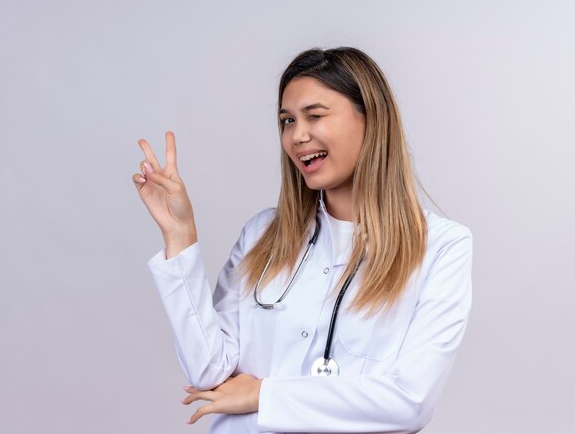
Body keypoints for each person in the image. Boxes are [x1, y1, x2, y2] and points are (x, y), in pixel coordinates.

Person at [131, 47, 473, 433]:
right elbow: (210, 370)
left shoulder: (441, 247)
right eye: (287, 120)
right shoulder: (262, 235)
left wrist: (263, 395)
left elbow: (409, 402)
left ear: (372, 120)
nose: (297, 136)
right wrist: (180, 236)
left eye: (315, 115)